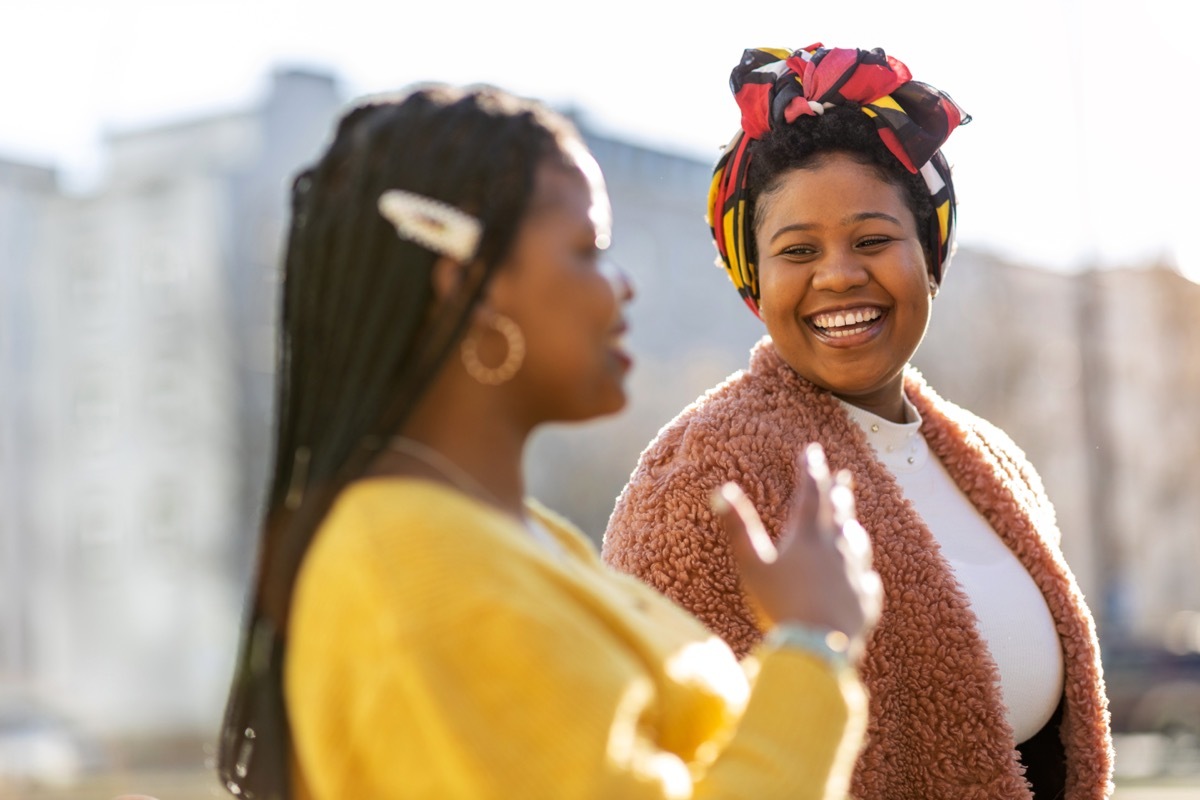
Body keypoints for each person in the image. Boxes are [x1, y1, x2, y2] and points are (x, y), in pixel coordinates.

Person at [215, 82, 883, 800]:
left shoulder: (520, 540)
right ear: (470, 284)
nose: (622, 285)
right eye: (587, 250)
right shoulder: (409, 565)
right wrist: (812, 646)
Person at [602, 43, 1114, 799]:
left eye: (873, 240)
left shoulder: (993, 460)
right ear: (755, 280)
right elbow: (654, 754)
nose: (838, 273)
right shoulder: (701, 478)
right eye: (798, 249)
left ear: (930, 254)